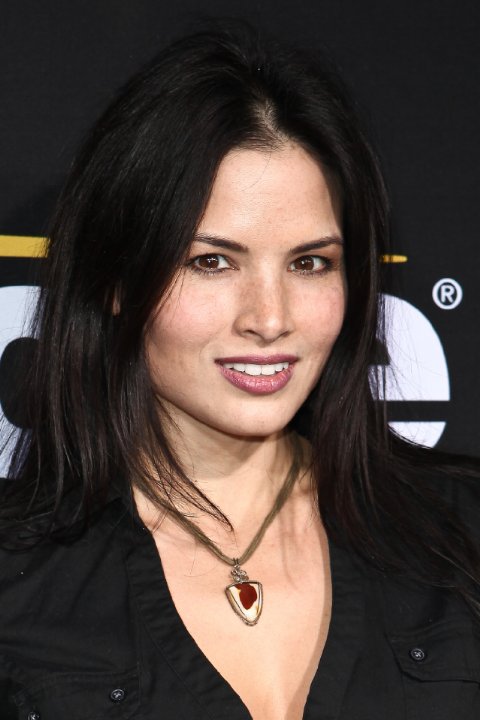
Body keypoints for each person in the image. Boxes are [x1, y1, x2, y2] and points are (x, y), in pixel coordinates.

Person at [0, 19, 479, 720]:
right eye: (212, 261)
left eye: (309, 263)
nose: (270, 318)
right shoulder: (19, 580)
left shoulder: (460, 534)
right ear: (117, 280)